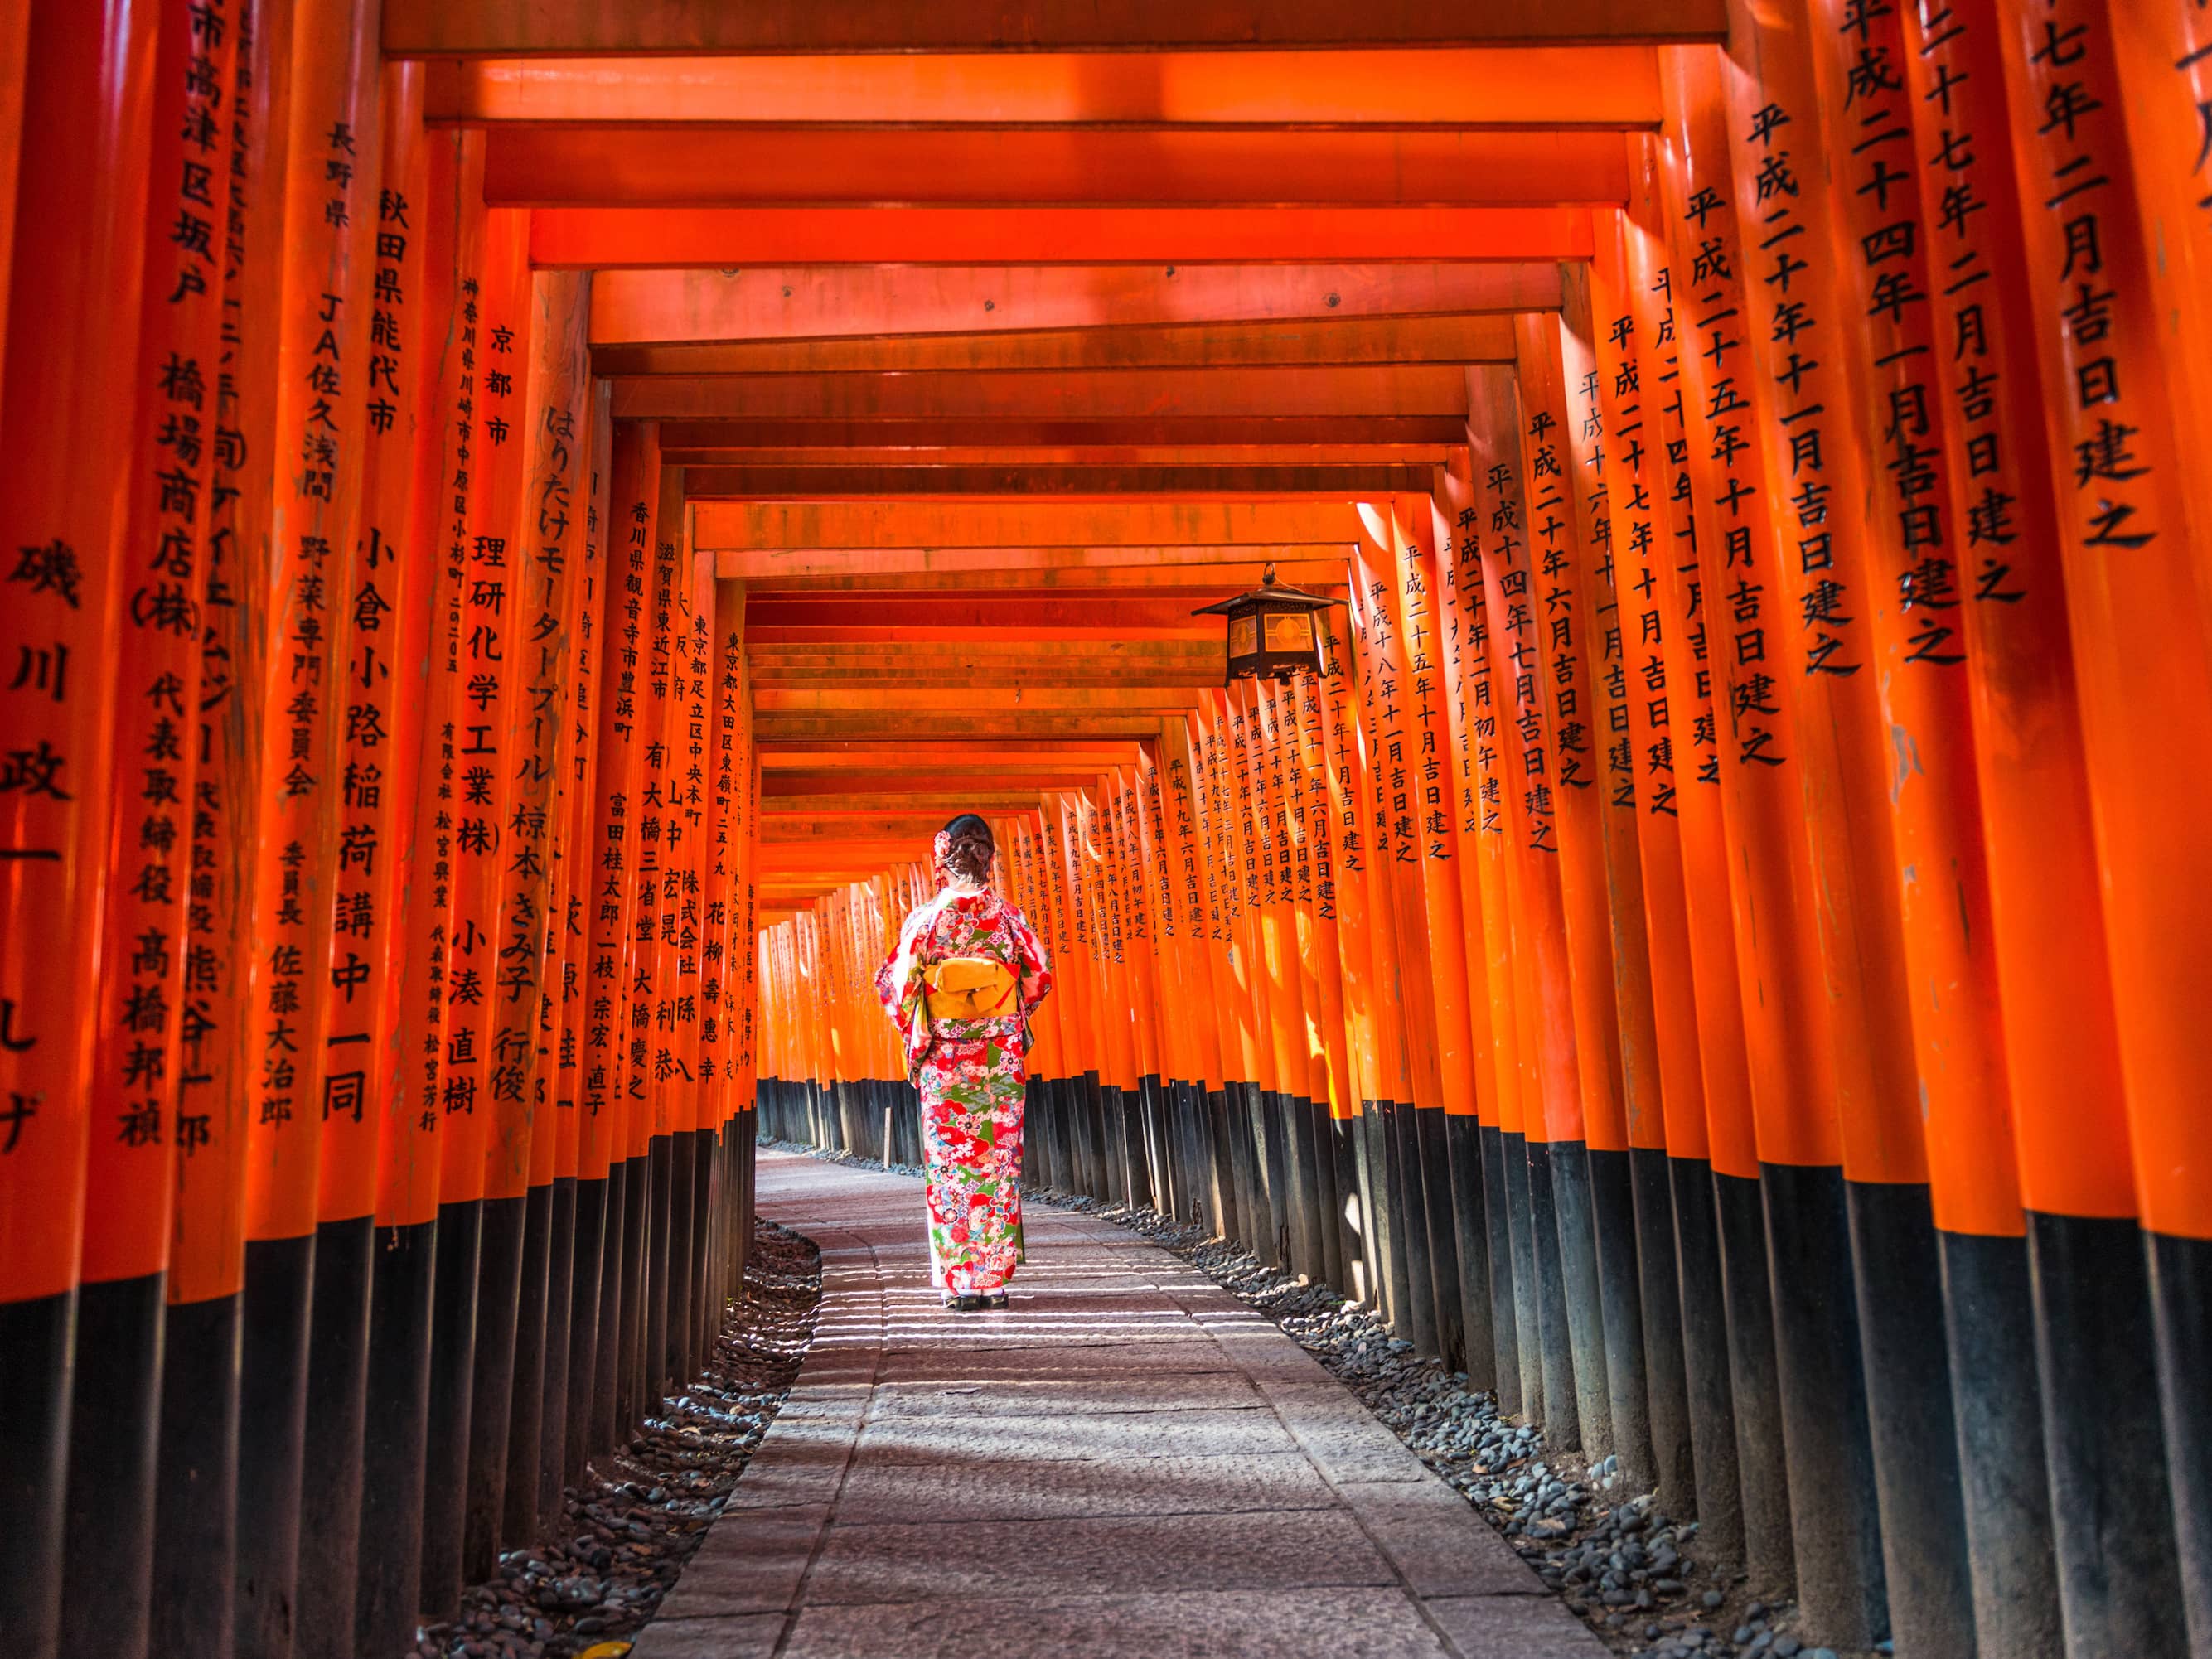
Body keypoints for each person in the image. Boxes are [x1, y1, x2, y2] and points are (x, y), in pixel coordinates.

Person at [874, 815, 1053, 1312]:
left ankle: (959, 1284)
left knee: (952, 1168)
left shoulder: (926, 921)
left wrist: (927, 1028)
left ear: (942, 860)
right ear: (989, 857)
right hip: (998, 1059)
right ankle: (994, 1280)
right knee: (996, 1166)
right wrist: (1004, 1018)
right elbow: (1039, 975)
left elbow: (895, 986)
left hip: (947, 1060)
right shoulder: (1010, 918)